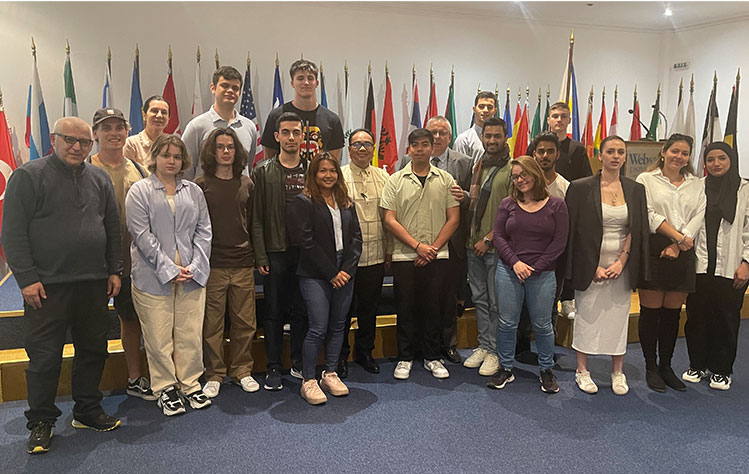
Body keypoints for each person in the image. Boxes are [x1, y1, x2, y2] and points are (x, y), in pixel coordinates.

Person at [2, 117, 122, 454]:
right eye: (69, 140)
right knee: (44, 358)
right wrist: (26, 279)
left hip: (93, 284)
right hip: (46, 287)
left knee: (94, 349)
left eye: (84, 143)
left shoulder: (98, 177)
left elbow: (112, 227)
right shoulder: (28, 176)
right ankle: (41, 421)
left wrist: (115, 269)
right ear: (54, 139)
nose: (77, 147)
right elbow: (12, 232)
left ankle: (86, 409)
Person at [126, 134, 213, 415]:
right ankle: (165, 388)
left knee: (189, 334)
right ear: (155, 158)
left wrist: (196, 267)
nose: (172, 161)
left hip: (191, 275)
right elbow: (142, 236)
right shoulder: (139, 191)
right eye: (166, 155)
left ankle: (190, 385)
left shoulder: (193, 191)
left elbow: (204, 231)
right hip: (152, 277)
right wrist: (168, 269)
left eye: (177, 156)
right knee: (158, 337)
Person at [565, 135, 649, 395]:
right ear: (599, 155)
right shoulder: (580, 187)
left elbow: (638, 227)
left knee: (617, 318)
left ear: (625, 156)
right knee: (587, 316)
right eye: (610, 151)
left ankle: (617, 371)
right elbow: (573, 232)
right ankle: (582, 370)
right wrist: (593, 267)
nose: (615, 156)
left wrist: (623, 260)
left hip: (620, 265)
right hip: (590, 265)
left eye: (621, 152)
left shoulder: (635, 189)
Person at [382, 128, 460, 380]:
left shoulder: (446, 179)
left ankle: (432, 356)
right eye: (415, 145)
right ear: (409, 149)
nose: (420, 149)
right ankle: (404, 357)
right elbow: (389, 220)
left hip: (438, 256)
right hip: (405, 256)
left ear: (432, 147)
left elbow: (454, 219)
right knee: (405, 307)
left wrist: (432, 249)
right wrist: (418, 247)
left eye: (425, 144)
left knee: (434, 307)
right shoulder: (395, 180)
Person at [489, 156, 568, 393]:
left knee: (542, 324)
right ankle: (505, 368)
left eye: (524, 174)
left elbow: (560, 241)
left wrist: (537, 266)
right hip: (509, 271)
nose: (520, 180)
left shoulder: (556, 205)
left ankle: (546, 369)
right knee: (507, 323)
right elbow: (499, 236)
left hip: (542, 274)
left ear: (535, 174)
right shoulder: (507, 204)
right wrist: (515, 264)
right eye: (515, 176)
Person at [89, 108, 153, 401]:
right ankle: (88, 388)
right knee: (91, 324)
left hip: (130, 264)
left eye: (119, 127)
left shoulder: (139, 170)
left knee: (130, 320)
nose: (114, 133)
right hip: (93, 265)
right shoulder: (86, 169)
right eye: (107, 128)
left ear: (127, 132)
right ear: (95, 134)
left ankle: (134, 377)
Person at [290, 153, 363, 404]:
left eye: (332, 170)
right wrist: (331, 273)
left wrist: (346, 270)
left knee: (338, 325)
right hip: (315, 274)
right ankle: (308, 380)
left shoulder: (346, 201)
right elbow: (306, 243)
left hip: (345, 271)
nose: (328, 175)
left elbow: (356, 239)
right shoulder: (304, 201)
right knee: (318, 327)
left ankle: (329, 373)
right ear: (314, 174)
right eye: (322, 171)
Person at [636, 133, 705, 393]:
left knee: (672, 314)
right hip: (655, 249)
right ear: (663, 152)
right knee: (651, 312)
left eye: (685, 153)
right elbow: (648, 212)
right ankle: (650, 366)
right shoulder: (646, 179)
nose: (679, 157)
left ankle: (666, 365)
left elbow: (699, 214)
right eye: (675, 151)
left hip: (683, 251)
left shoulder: (697, 184)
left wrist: (679, 244)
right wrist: (675, 238)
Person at [195, 128, 259, 398]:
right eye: (220, 146)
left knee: (245, 322)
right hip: (212, 265)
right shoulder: (200, 185)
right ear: (212, 151)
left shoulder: (247, 184)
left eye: (230, 147)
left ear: (237, 151)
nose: (225, 151)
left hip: (243, 263)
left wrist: (258, 257)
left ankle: (243, 370)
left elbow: (255, 222)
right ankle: (214, 374)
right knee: (213, 324)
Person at [684, 142, 748, 391]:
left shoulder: (745, 189)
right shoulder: (698, 186)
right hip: (699, 265)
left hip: (731, 267)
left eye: (722, 158)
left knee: (726, 319)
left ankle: (722, 370)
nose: (716, 163)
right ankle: (697, 364)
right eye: (710, 159)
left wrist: (747, 263)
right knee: (696, 317)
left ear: (731, 159)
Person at [252, 112, 308, 390]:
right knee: (274, 311)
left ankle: (297, 361)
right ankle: (273, 367)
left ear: (302, 136)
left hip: (305, 254)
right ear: (276, 137)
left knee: (302, 310)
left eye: (295, 132)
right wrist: (261, 255)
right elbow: (257, 218)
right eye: (285, 132)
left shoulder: (313, 169)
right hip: (275, 251)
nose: (290, 138)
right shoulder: (262, 171)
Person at [527, 102, 589, 320]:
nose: (559, 120)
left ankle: (566, 300)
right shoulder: (526, 180)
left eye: (564, 116)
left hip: (560, 226)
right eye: (555, 116)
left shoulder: (577, 150)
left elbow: (584, 184)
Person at [338, 129, 392, 377]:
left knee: (369, 309)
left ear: (373, 149)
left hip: (376, 254)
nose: (361, 149)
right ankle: (339, 356)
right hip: (347, 259)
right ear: (349, 149)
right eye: (356, 144)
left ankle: (365, 352)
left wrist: (389, 251)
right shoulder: (338, 176)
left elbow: (391, 216)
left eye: (366, 144)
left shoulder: (384, 177)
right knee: (344, 311)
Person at [463, 117, 511, 376]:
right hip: (473, 244)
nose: (492, 140)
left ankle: (495, 351)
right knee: (479, 299)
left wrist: (490, 238)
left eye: (497, 136)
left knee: (496, 303)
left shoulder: (513, 168)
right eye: (488, 136)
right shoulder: (478, 165)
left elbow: (514, 212)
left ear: (506, 138)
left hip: (496, 248)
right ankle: (483, 344)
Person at [424, 115, 472, 364]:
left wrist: (462, 195)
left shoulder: (464, 162)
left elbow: (474, 197)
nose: (438, 137)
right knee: (423, 294)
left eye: (443, 133)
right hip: (420, 241)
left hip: (452, 241)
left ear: (450, 136)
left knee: (449, 295)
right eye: (433, 132)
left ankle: (449, 344)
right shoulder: (408, 159)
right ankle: (424, 344)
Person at [182, 66, 258, 180]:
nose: (230, 91)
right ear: (213, 88)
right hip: (203, 196)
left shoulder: (249, 127)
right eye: (225, 86)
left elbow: (248, 165)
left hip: (240, 196)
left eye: (235, 88)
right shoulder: (196, 126)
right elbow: (186, 169)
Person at [260, 59, 344, 161]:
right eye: (300, 78)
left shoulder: (332, 120)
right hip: (284, 176)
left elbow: (332, 162)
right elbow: (269, 158)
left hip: (318, 176)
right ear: (292, 83)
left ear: (316, 83)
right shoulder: (276, 116)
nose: (306, 82)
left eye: (310, 78)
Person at [124, 95, 170, 166]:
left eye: (164, 112)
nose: (159, 115)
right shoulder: (132, 144)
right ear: (144, 115)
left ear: (168, 118)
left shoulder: (172, 144)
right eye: (154, 111)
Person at [454, 91, 499, 163]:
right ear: (474, 109)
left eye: (490, 107)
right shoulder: (463, 140)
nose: (485, 110)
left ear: (495, 111)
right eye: (481, 107)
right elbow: (459, 169)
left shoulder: (500, 139)